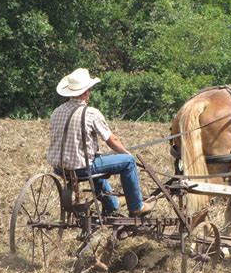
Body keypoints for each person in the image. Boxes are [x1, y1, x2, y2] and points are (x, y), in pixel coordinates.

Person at [47, 68, 156, 217]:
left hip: (60, 168)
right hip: (82, 168)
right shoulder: (91, 113)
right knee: (128, 161)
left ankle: (111, 205)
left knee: (98, 162)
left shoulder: (56, 112)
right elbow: (112, 140)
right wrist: (125, 153)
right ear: (86, 92)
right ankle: (137, 207)